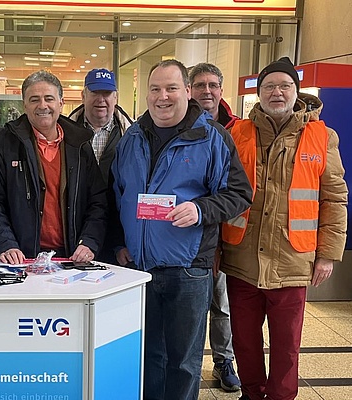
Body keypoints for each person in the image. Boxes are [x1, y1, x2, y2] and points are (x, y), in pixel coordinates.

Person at [110, 59, 252, 400]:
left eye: (172, 88)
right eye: (156, 89)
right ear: (146, 95)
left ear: (187, 92)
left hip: (188, 270)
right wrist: (119, 243)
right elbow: (117, 194)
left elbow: (239, 193)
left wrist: (201, 209)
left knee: (184, 362)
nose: (163, 97)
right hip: (140, 270)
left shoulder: (212, 137)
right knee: (149, 357)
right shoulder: (132, 138)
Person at [220, 57, 348, 400]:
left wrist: (327, 255)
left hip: (293, 260)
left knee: (287, 347)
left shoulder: (322, 137)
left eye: (285, 86)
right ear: (258, 94)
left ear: (296, 91)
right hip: (241, 258)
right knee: (244, 341)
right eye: (269, 87)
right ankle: (251, 393)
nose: (277, 93)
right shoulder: (237, 133)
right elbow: (219, 191)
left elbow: (334, 199)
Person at [0, 70, 107, 264]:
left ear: (61, 103)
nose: (43, 106)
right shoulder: (3, 142)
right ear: (24, 105)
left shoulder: (80, 144)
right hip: (21, 258)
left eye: (49, 98)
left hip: (71, 257)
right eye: (34, 100)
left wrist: (89, 241)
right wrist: (5, 242)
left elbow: (97, 201)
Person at [189, 62, 241, 393]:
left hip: (230, 235)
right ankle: (188, 367)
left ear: (221, 90)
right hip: (191, 236)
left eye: (213, 85)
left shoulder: (240, 130)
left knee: (222, 305)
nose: (206, 91)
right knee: (192, 308)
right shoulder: (178, 124)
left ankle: (224, 360)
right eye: (199, 85)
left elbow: (240, 188)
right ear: (189, 89)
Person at [68, 68, 133, 184]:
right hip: (78, 202)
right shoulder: (65, 133)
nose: (101, 99)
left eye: (106, 93)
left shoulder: (133, 135)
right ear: (83, 96)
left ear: (115, 98)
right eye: (95, 93)